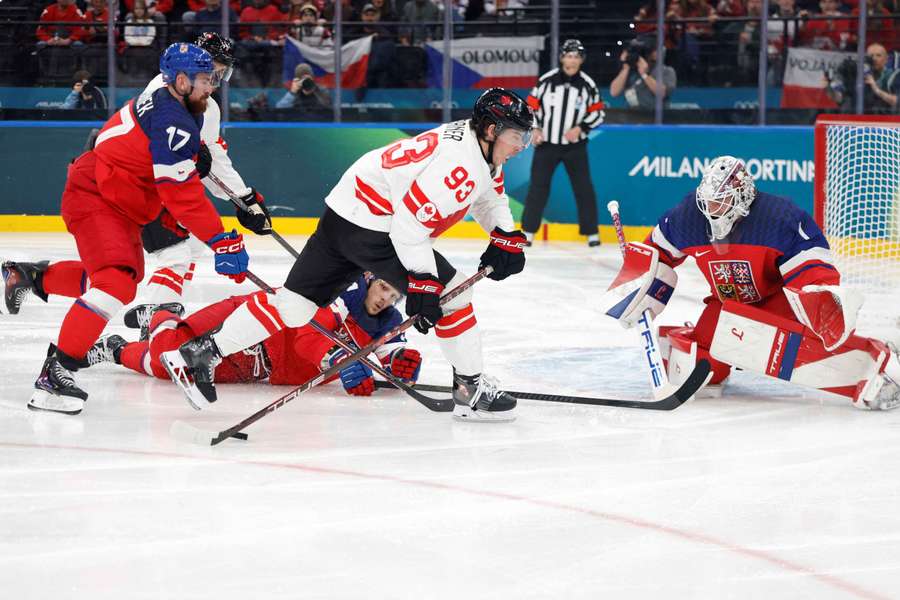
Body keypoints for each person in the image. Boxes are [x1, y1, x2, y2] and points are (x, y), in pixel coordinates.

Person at [162, 88, 534, 422]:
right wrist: (423, 282)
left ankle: (199, 352)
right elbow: (409, 227)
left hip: (343, 214)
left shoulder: (475, 145)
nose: (522, 144)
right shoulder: (461, 164)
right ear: (491, 130)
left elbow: (490, 191)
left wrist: (505, 234)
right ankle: (470, 391)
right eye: (517, 135)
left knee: (294, 305)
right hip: (377, 228)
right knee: (455, 295)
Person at [2, 43, 250, 416]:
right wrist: (220, 240)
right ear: (182, 81)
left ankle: (32, 277)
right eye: (205, 79)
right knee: (114, 282)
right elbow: (180, 193)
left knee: (121, 279)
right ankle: (55, 375)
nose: (212, 86)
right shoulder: (173, 119)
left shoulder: (178, 104)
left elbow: (169, 168)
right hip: (97, 195)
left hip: (114, 194)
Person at [600, 156, 900, 410]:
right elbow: (656, 253)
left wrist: (819, 297)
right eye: (709, 202)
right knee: (700, 372)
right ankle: (695, 342)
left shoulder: (777, 217)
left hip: (776, 303)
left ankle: (878, 359)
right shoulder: (689, 217)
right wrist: (639, 285)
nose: (713, 209)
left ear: (742, 196)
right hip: (727, 307)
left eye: (721, 202)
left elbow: (811, 266)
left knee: (815, 345)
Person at [123, 32, 273, 341]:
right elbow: (171, 148)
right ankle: (156, 319)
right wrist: (196, 156)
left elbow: (213, 156)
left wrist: (243, 198)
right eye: (215, 68)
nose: (217, 78)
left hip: (161, 184)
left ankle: (157, 315)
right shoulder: (165, 89)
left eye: (222, 71)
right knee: (174, 255)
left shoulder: (208, 106)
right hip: (145, 184)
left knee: (189, 247)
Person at [86, 276, 423, 396]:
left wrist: (400, 365)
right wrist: (337, 360)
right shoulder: (339, 292)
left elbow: (390, 358)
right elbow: (307, 334)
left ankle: (117, 348)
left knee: (172, 371)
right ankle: (161, 316)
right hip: (245, 321)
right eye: (383, 288)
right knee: (166, 359)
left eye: (394, 296)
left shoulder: (386, 322)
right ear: (369, 278)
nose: (386, 300)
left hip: (260, 366)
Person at [522, 39, 604, 247]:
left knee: (584, 188)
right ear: (561, 58)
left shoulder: (588, 84)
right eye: (569, 56)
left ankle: (592, 234)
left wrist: (581, 128)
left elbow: (598, 113)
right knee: (538, 188)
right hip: (547, 145)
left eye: (576, 56)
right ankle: (528, 232)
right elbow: (530, 108)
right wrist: (535, 128)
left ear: (581, 60)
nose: (572, 60)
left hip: (575, 146)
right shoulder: (546, 81)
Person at [825, 43, 899, 113]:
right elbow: (839, 99)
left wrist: (877, 90)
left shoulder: (893, 76)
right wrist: (830, 88)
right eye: (871, 56)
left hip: (883, 119)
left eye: (878, 55)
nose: (874, 59)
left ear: (886, 59)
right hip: (856, 118)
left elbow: (897, 102)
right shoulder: (857, 77)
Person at [609, 36, 677, 111]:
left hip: (655, 115)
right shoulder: (630, 71)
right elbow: (614, 92)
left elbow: (661, 93)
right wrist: (626, 67)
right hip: (632, 115)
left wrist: (644, 74)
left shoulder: (666, 71)